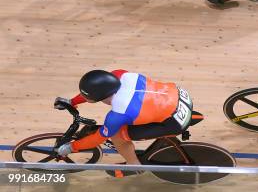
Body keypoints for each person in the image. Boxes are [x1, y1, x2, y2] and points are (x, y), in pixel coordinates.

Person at [54, 69, 196, 178]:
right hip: (179, 95)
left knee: (117, 136)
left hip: (174, 121)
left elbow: (98, 138)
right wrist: (71, 102)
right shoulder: (120, 74)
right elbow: (97, 89)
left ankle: (134, 165)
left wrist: (72, 147)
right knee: (126, 121)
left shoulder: (118, 114)